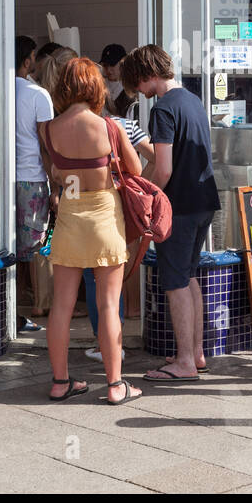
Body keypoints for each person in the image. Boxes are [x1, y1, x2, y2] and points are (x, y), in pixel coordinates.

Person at [38, 57, 143, 405]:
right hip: (104, 220)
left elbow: (55, 172)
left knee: (62, 306)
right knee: (109, 305)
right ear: (95, 86)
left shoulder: (50, 128)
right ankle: (115, 386)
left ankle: (59, 381)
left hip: (69, 219)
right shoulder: (108, 126)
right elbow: (136, 167)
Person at [122, 44, 220, 382]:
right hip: (205, 200)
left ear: (147, 75)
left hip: (178, 206)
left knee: (175, 282)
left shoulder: (163, 110)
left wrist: (143, 196)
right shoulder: (193, 101)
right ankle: (195, 353)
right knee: (190, 277)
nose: (139, 92)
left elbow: (162, 168)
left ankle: (183, 362)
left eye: (138, 84)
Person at [80, 93, 156, 360]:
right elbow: (154, 158)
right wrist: (135, 187)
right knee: (119, 271)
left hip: (91, 204)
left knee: (94, 276)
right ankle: (116, 341)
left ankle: (104, 344)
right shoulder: (126, 125)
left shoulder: (72, 127)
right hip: (123, 205)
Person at [13, 36, 53, 330]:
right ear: (28, 60)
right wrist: (56, 184)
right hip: (33, 177)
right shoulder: (38, 94)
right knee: (37, 243)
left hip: (3, 179)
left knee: (9, 244)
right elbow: (46, 143)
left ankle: (14, 302)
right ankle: (41, 303)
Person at [99, 43, 137, 119]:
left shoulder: (132, 86)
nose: (109, 69)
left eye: (112, 65)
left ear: (122, 63)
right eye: (105, 65)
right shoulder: (99, 85)